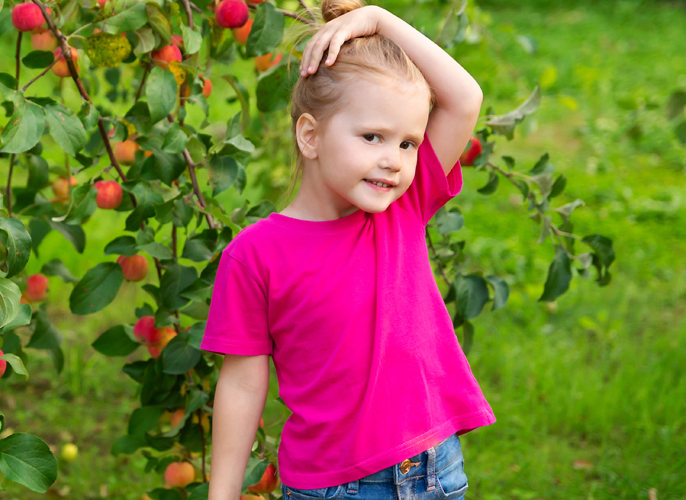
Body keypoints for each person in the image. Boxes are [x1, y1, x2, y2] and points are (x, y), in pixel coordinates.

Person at [199, 1, 495, 499]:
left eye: (407, 144)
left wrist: (378, 19)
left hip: (433, 471)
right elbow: (243, 386)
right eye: (373, 137)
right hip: (332, 486)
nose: (394, 161)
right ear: (311, 135)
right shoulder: (255, 256)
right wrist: (222, 494)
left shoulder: (404, 206)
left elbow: (465, 98)